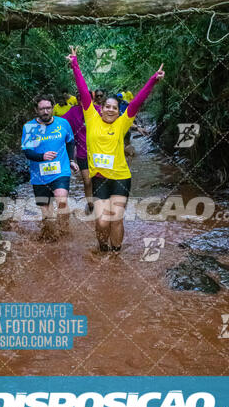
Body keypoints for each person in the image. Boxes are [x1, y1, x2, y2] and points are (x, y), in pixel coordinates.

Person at [66, 47, 164, 256]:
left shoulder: (122, 123)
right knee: (102, 221)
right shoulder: (91, 118)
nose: (110, 109)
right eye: (107, 106)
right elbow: (83, 91)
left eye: (114, 107)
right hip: (100, 178)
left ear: (118, 111)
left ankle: (115, 255)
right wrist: (75, 64)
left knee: (116, 218)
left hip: (120, 177)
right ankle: (102, 250)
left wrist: (153, 80)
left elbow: (137, 101)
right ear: (100, 108)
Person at [21, 94, 79, 239]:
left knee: (61, 200)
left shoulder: (63, 123)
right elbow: (27, 152)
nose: (45, 112)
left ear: (53, 108)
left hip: (61, 171)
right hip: (39, 175)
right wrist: (42, 156)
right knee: (47, 214)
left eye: (48, 108)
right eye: (42, 109)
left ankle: (65, 232)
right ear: (36, 110)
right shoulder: (30, 127)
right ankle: (51, 235)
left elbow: (70, 142)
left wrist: (71, 160)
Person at [62, 92, 101, 215]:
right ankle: (91, 205)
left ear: (92, 100)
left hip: (99, 153)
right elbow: (60, 122)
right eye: (80, 100)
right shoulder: (74, 112)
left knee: (98, 180)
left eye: (85, 99)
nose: (82, 102)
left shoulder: (99, 110)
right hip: (82, 153)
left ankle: (99, 202)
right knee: (87, 180)